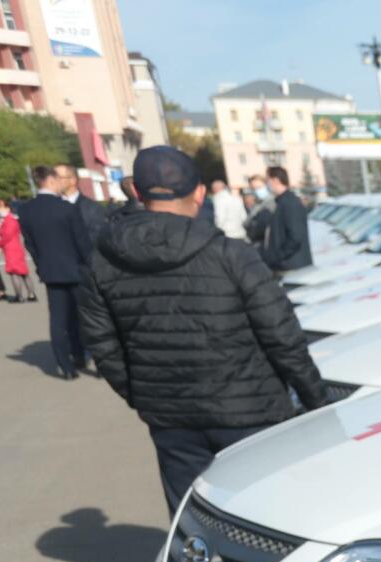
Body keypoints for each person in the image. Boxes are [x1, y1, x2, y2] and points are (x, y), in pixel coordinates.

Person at [78, 147, 330, 512]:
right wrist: (317, 402)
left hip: (171, 417)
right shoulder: (232, 255)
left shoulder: (102, 261)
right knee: (265, 516)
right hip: (251, 411)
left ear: (138, 193)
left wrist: (142, 395)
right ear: (199, 193)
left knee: (192, 518)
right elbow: (283, 337)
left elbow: (102, 344)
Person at [14, 165, 91, 378]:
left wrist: (41, 266)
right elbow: (82, 242)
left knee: (58, 319)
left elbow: (31, 245)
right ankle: (80, 355)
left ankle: (65, 367)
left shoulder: (26, 211)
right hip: (75, 270)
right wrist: (91, 266)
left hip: (50, 271)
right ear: (50, 180)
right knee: (81, 317)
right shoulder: (66, 208)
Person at [259, 166, 311, 273]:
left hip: (292, 266)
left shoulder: (290, 203)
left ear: (276, 180)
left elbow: (296, 236)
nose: (266, 184)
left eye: (267, 180)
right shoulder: (280, 202)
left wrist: (278, 256)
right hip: (284, 265)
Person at [54, 164, 106, 255]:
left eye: (57, 177)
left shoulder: (92, 208)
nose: (53, 181)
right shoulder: (51, 208)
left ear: (72, 180)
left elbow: (98, 238)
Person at [0, 197, 35, 304]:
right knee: (23, 272)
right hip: (15, 248)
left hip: (12, 249)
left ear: (7, 208)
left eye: (1, 208)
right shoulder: (10, 220)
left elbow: (7, 236)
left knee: (14, 273)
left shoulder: (9, 221)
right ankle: (31, 294)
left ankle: (20, 296)